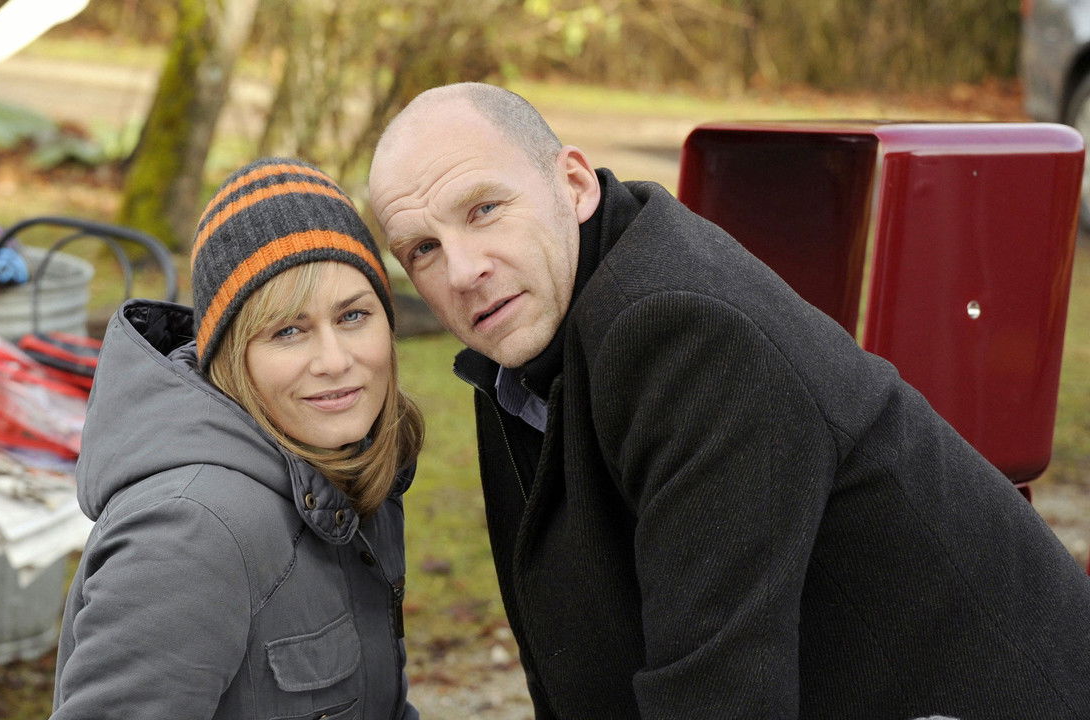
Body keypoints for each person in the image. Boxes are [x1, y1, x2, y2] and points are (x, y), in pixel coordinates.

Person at [367, 83, 1090, 720]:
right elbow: (573, 661)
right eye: (422, 250)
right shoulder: (524, 347)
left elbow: (717, 695)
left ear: (576, 184)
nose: (463, 270)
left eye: (485, 208)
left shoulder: (685, 330)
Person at [51, 158, 424, 720]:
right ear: (231, 357)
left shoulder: (347, 469)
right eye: (288, 331)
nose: (334, 361)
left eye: (352, 316)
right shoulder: (192, 533)